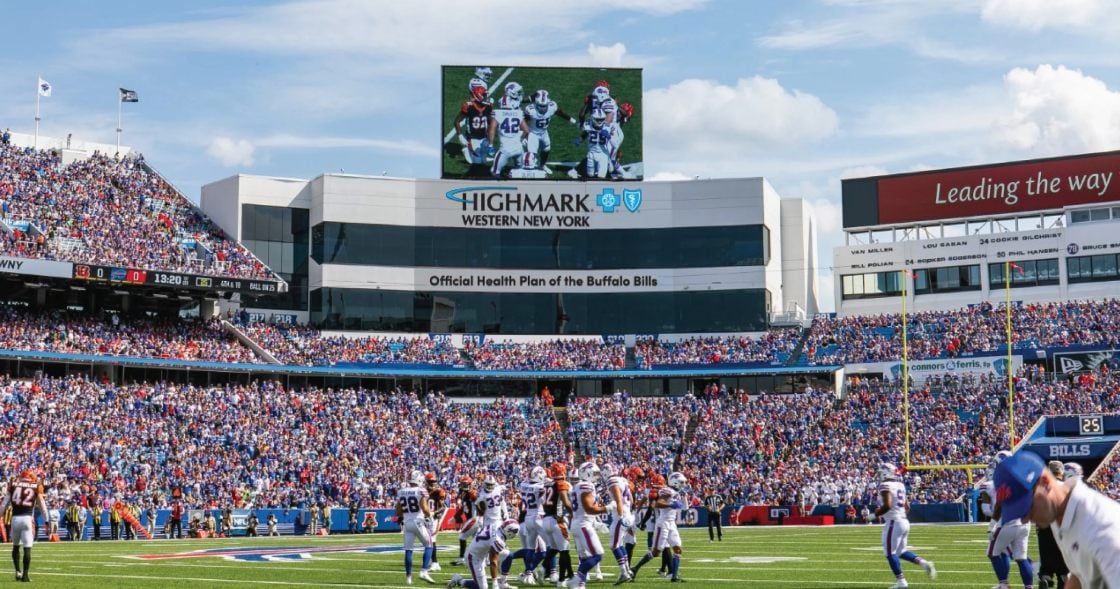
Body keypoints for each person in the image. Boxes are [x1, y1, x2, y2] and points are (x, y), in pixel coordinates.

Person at [995, 450, 1120, 589]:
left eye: (1027, 506)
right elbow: (1078, 574)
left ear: (1045, 481)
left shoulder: (1102, 530)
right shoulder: (1061, 515)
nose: (1025, 519)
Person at [874, 463, 936, 589]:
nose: (879, 474)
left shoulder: (885, 485)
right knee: (901, 551)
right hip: (904, 521)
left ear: (887, 473)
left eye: (881, 472)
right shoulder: (900, 485)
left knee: (889, 553)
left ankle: (901, 581)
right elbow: (907, 506)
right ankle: (924, 564)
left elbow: (888, 505)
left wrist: (874, 515)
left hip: (893, 522)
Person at [985, 451, 1034, 589]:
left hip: (1008, 522)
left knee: (992, 553)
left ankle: (1003, 584)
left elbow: (1000, 504)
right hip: (1024, 522)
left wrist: (992, 525)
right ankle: (1029, 587)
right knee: (1021, 558)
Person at [630, 472, 689, 583]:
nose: (683, 484)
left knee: (678, 549)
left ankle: (674, 576)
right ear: (674, 481)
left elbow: (685, 508)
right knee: (656, 552)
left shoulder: (676, 492)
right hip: (663, 523)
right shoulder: (667, 491)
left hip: (672, 523)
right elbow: (658, 504)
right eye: (681, 482)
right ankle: (634, 569)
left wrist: (684, 496)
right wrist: (671, 505)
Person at [0, 470, 48, 581]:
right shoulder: (36, 486)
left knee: (15, 547)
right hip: (27, 519)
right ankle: (25, 575)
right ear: (32, 477)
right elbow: (42, 505)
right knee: (27, 548)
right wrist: (46, 520)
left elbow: (4, 504)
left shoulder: (13, 484)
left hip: (15, 518)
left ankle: (18, 572)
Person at [446, 519, 519, 589]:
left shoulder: (496, 524)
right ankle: (459, 580)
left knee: (508, 554)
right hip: (474, 557)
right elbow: (493, 562)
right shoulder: (498, 540)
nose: (515, 533)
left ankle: (503, 581)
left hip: (482, 551)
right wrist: (494, 582)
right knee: (483, 587)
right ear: (509, 531)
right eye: (515, 531)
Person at [396, 470, 436, 585]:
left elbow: (398, 511)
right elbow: (424, 507)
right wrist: (429, 516)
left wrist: (406, 514)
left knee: (408, 550)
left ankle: (408, 577)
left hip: (407, 523)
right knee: (429, 545)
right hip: (418, 521)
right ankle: (424, 571)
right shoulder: (421, 490)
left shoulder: (402, 491)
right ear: (419, 479)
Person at [1037, 461, 1069, 589]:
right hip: (1062, 528)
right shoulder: (1067, 487)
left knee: (1046, 563)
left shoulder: (1041, 487)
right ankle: (1063, 579)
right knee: (1064, 568)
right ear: (1061, 472)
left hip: (1044, 527)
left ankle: (1045, 578)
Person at [602, 463, 635, 583]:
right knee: (619, 544)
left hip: (621, 515)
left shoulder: (612, 481)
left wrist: (620, 516)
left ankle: (624, 573)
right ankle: (627, 570)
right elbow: (631, 500)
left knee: (614, 545)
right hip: (628, 513)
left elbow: (619, 500)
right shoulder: (623, 480)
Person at [426, 473, 448, 572]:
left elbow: (443, 507)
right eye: (431, 482)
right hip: (425, 518)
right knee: (428, 541)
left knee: (431, 540)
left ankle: (434, 563)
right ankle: (434, 562)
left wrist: (436, 513)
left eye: (433, 482)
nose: (432, 484)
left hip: (433, 519)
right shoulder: (423, 492)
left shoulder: (438, 492)